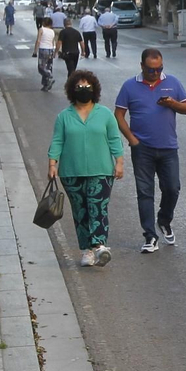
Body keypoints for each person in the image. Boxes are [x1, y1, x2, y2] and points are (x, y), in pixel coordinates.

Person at [115, 49, 186, 254]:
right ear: (142, 66)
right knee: (144, 192)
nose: (155, 73)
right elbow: (119, 115)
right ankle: (150, 235)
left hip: (168, 147)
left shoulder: (173, 82)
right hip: (143, 149)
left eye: (159, 69)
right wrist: (132, 140)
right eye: (151, 70)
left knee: (172, 188)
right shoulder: (129, 86)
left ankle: (164, 220)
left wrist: (172, 103)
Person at [48, 70, 125, 268]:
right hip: (71, 172)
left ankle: (99, 246)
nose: (84, 90)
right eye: (80, 87)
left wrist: (119, 162)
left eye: (87, 87)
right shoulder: (64, 116)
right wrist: (52, 164)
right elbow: (57, 141)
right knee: (81, 211)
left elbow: (114, 139)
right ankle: (87, 250)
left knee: (97, 208)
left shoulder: (105, 114)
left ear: (95, 90)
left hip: (101, 171)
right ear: (72, 90)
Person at [35, 18, 58, 91]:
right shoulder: (52, 31)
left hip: (43, 49)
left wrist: (35, 51)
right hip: (50, 49)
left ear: (44, 23)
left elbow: (38, 40)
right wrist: (54, 52)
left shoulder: (41, 29)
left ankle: (49, 76)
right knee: (48, 66)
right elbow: (53, 42)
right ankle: (46, 84)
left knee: (41, 67)